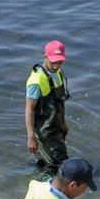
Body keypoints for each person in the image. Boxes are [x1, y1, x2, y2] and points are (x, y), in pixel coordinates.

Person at [25, 40, 71, 180]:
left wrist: (63, 123)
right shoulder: (36, 81)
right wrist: (31, 137)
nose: (56, 66)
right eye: (53, 62)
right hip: (44, 130)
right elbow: (29, 109)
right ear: (45, 57)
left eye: (60, 62)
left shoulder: (58, 73)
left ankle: (41, 178)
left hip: (55, 125)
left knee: (48, 163)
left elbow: (58, 103)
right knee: (62, 163)